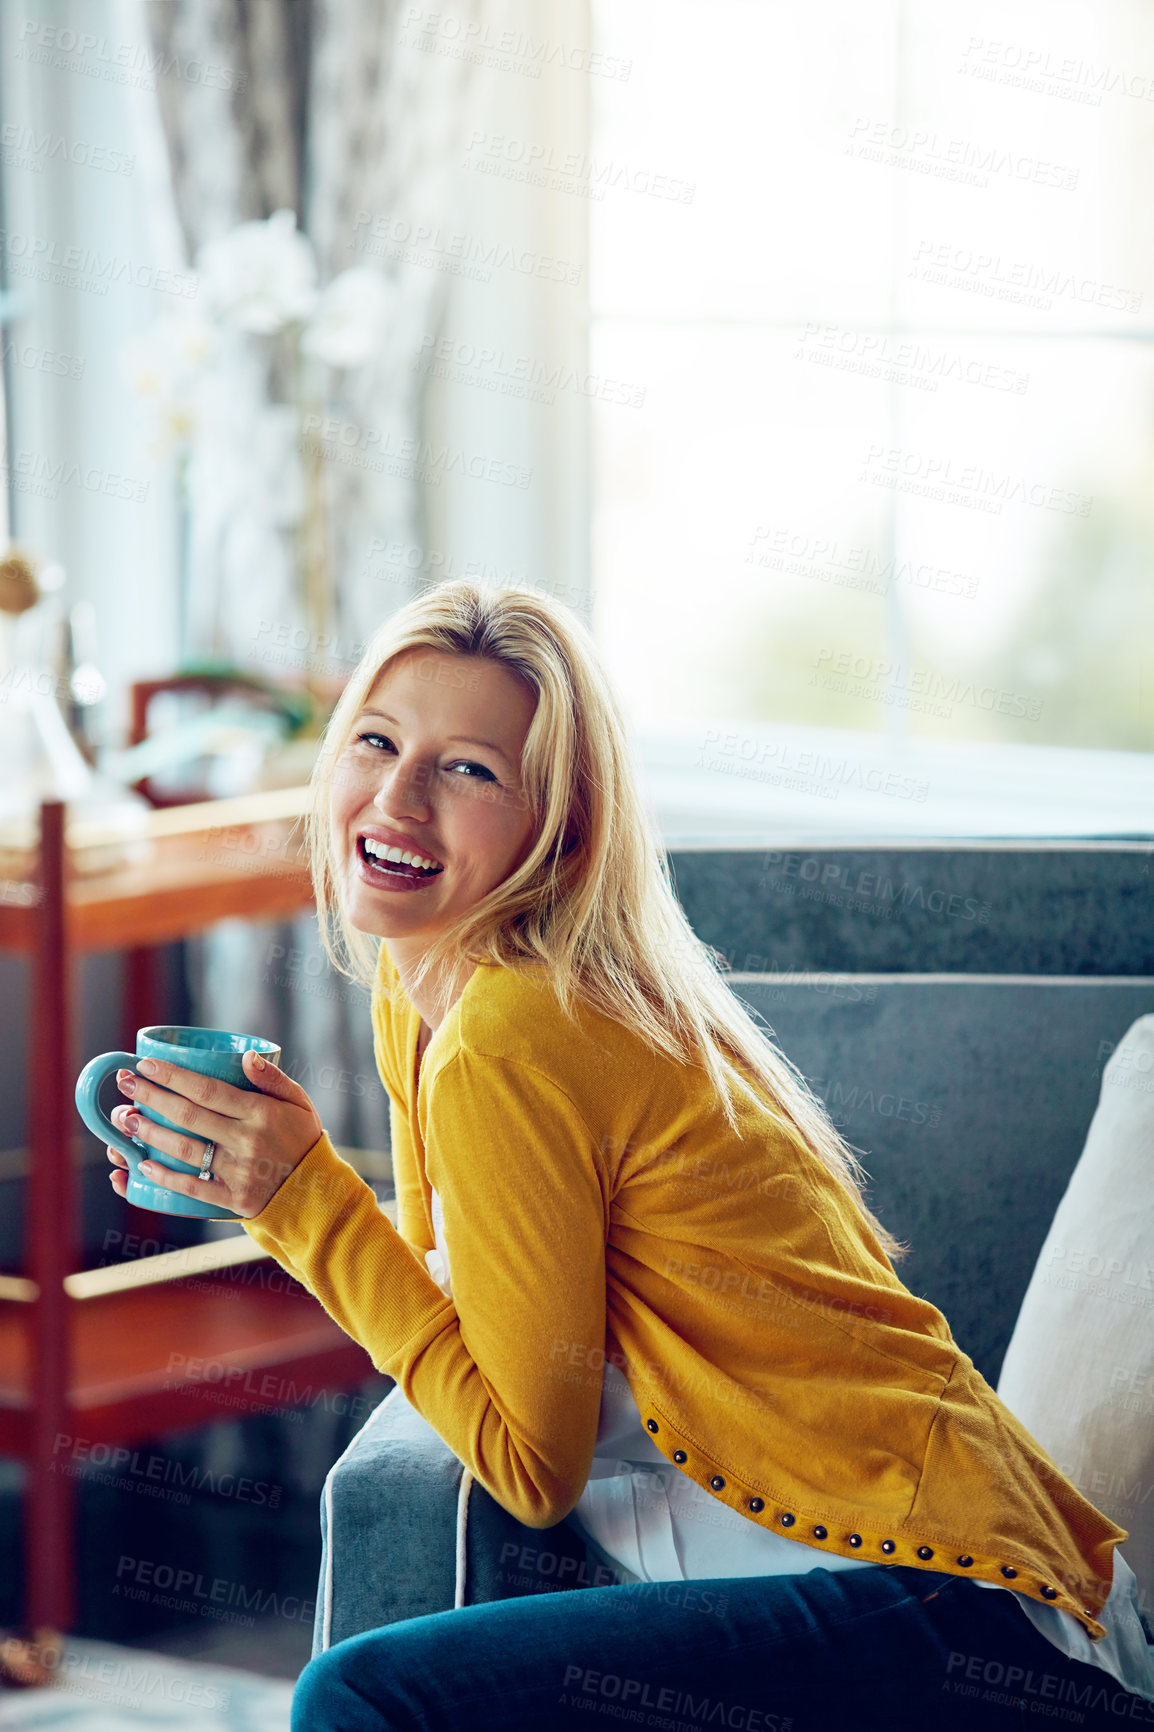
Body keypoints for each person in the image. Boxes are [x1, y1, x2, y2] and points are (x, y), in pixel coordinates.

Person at [106, 581, 1154, 1730]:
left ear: (557, 825)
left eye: (467, 769)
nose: (397, 796)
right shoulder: (425, 996)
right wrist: (290, 1195)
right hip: (900, 1596)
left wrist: (301, 1202)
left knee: (363, 1697)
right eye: (376, 739)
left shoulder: (515, 1030)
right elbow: (466, 1327)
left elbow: (527, 1464)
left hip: (963, 1611)